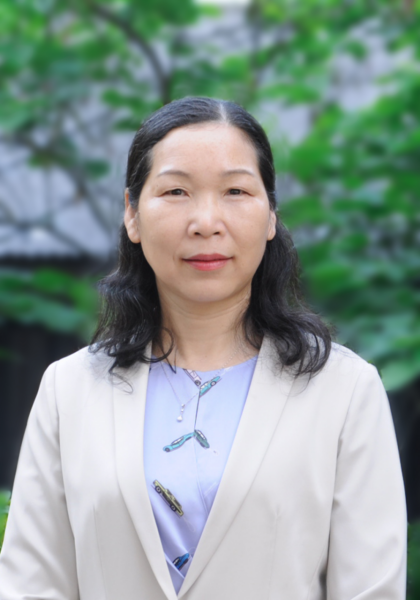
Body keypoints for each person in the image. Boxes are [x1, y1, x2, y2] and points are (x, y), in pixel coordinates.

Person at [0, 97, 407, 600]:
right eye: (176, 191)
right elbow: (30, 585)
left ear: (271, 215)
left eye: (236, 190)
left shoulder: (345, 391)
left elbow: (370, 589)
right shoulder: (69, 390)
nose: (206, 221)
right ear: (132, 214)